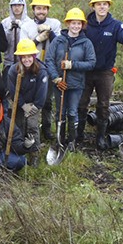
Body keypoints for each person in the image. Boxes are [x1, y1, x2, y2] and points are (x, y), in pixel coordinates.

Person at [78, 0, 123, 149]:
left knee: (103, 105)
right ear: (93, 6)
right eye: (98, 4)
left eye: (105, 4)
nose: (102, 7)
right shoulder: (85, 24)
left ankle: (100, 136)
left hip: (105, 72)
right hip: (85, 70)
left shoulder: (115, 25)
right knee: (81, 103)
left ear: (109, 6)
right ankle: (78, 135)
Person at [45, 8, 96, 151]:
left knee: (73, 112)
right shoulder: (58, 41)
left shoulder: (86, 43)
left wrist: (72, 65)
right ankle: (60, 140)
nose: (76, 26)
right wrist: (55, 78)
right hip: (59, 83)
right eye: (73, 23)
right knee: (60, 112)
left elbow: (91, 63)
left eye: (78, 23)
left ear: (82, 25)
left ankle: (72, 141)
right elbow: (49, 60)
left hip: (76, 84)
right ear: (67, 24)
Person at [6, 39, 48, 167]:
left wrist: (34, 107)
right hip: (19, 103)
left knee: (32, 126)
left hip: (34, 104)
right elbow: (13, 92)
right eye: (23, 57)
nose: (27, 60)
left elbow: (42, 92)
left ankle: (34, 152)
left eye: (29, 56)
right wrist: (23, 105)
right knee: (18, 126)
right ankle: (19, 150)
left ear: (34, 56)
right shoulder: (13, 71)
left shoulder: (41, 71)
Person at [29, 0, 62, 141]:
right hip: (32, 67)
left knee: (47, 101)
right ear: (33, 9)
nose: (41, 11)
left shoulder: (54, 24)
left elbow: (60, 44)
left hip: (48, 67)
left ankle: (47, 128)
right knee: (33, 100)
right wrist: (37, 39)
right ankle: (31, 129)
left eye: (44, 8)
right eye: (38, 8)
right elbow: (24, 47)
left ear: (48, 10)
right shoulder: (27, 25)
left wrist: (50, 33)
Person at [1, 0, 37, 82]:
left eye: (19, 5)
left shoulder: (30, 22)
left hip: (25, 61)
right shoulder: (5, 22)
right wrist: (8, 31)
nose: (17, 8)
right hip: (8, 61)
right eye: (14, 5)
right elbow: (3, 43)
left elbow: (33, 40)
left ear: (24, 6)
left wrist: (22, 27)